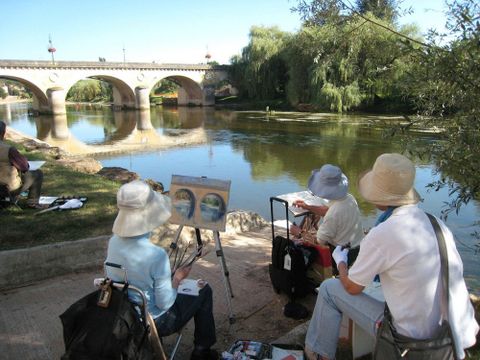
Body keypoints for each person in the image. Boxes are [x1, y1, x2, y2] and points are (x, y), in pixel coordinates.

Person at [305, 153, 479, 360]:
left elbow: (352, 287)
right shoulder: (435, 223)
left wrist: (341, 262)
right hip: (455, 333)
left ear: (380, 196)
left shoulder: (384, 232)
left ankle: (317, 354)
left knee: (328, 289)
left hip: (410, 341)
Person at [105, 180, 218, 360]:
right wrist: (178, 278)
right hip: (156, 321)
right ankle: (202, 351)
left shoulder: (113, 243)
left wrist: (168, 278)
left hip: (124, 315)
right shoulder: (156, 255)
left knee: (186, 287)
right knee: (204, 290)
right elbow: (165, 304)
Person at [290, 164, 364, 269]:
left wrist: (298, 232)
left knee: (298, 246)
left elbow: (319, 241)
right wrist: (308, 207)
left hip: (340, 256)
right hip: (356, 249)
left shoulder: (333, 214)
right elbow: (328, 210)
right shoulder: (349, 199)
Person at [0, 120, 44, 208]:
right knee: (37, 174)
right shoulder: (8, 149)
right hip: (5, 189)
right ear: (3, 133)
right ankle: (33, 202)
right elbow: (25, 167)